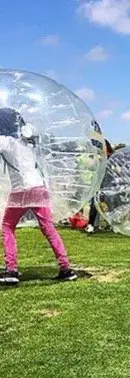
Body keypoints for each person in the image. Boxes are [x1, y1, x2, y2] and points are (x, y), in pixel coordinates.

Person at [0, 108, 79, 284]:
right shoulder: (28, 143)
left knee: (7, 227)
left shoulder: (6, 141)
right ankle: (66, 268)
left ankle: (11, 269)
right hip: (39, 187)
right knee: (48, 227)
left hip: (21, 189)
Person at [85, 139, 114, 233]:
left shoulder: (112, 158)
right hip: (98, 184)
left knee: (110, 205)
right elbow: (90, 167)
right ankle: (92, 224)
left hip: (109, 185)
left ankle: (111, 224)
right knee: (94, 205)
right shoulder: (96, 157)